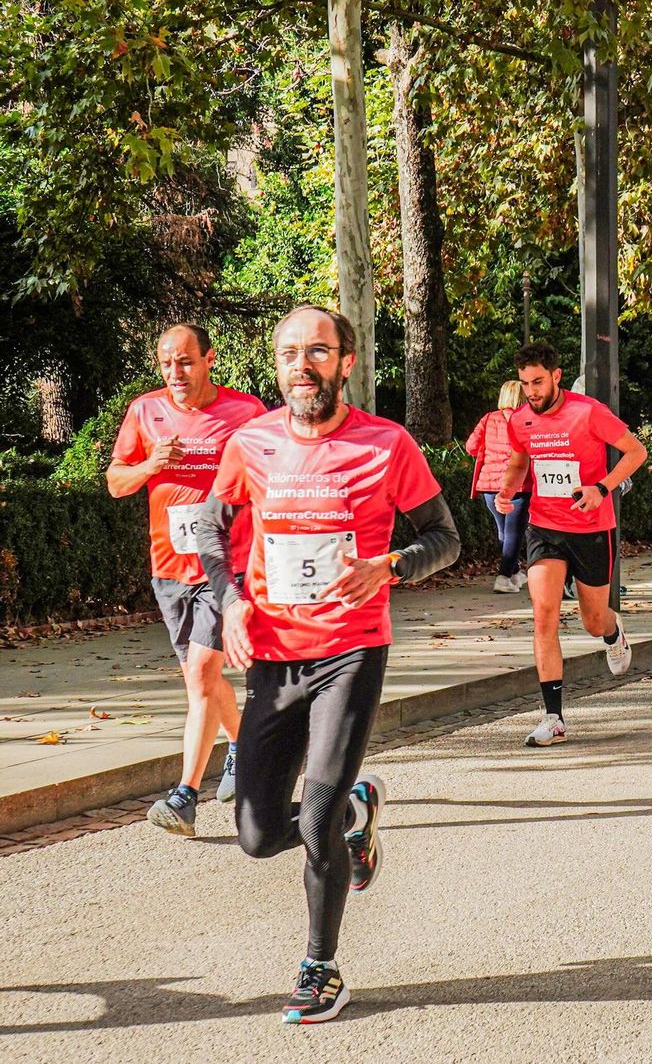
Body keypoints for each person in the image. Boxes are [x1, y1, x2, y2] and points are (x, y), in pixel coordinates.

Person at [193, 305, 461, 1022]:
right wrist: (232, 603)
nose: (301, 365)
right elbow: (212, 531)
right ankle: (357, 810)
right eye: (289, 353)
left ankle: (320, 966)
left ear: (346, 362)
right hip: (274, 656)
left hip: (352, 647)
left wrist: (390, 566)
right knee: (255, 836)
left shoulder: (386, 443)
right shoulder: (251, 443)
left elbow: (445, 538)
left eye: (316, 351)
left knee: (313, 818)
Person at [107, 324, 267, 837]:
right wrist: (149, 464)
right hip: (169, 566)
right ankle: (242, 748)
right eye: (166, 362)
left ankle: (184, 797)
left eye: (185, 361)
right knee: (204, 679)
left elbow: (272, 476)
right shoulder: (144, 411)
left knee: (200, 674)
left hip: (225, 564)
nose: (175, 372)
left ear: (209, 359)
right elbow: (115, 483)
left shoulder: (245, 412)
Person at [496, 339, 647, 746]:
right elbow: (519, 460)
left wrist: (602, 487)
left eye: (538, 382)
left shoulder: (588, 412)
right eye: (525, 383)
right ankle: (554, 718)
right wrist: (507, 488)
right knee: (543, 614)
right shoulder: (520, 420)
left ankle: (613, 631)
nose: (531, 391)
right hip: (544, 527)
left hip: (591, 528)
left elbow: (636, 452)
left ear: (556, 376)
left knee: (592, 620)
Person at [466, 380, 532, 593]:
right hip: (518, 485)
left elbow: (471, 446)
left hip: (489, 484)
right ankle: (503, 577)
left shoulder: (488, 419)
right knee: (514, 532)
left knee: (504, 531)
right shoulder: (527, 419)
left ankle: (514, 573)